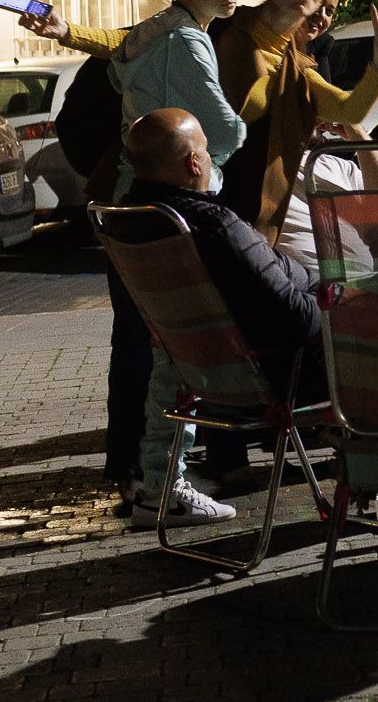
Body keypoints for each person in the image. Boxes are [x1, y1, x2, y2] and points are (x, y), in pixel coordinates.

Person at [23, 0, 246, 513]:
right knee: (173, 348)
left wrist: (68, 30)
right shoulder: (188, 44)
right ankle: (159, 477)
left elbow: (115, 44)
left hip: (131, 205)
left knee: (142, 341)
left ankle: (142, 470)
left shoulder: (158, 32)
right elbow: (226, 132)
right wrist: (216, 157)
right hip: (169, 211)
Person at [111, 108, 322, 527]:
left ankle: (161, 489)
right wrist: (345, 298)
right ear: (194, 162)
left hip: (203, 376)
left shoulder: (132, 221)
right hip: (274, 376)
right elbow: (297, 320)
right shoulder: (213, 226)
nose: (211, 160)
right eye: (207, 152)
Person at [211, 0, 378, 240]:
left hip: (251, 212)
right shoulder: (225, 28)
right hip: (209, 197)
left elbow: (348, 110)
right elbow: (247, 108)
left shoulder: (296, 63)